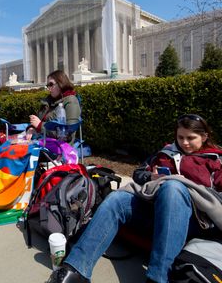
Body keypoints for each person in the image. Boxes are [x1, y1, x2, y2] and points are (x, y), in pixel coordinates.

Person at [47, 114, 222, 283]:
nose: (184, 142)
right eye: (180, 137)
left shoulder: (215, 160)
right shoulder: (166, 153)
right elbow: (138, 173)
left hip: (193, 220)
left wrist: (183, 185)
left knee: (173, 187)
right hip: (154, 209)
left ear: (204, 136)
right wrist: (150, 178)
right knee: (118, 199)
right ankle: (76, 270)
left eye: (191, 138)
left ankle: (158, 278)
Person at [27, 70, 81, 143]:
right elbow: (38, 122)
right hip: (42, 143)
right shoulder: (48, 101)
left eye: (51, 84)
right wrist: (31, 128)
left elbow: (67, 134)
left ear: (61, 83)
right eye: (48, 85)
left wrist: (40, 126)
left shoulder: (71, 101)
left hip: (60, 149)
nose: (49, 88)